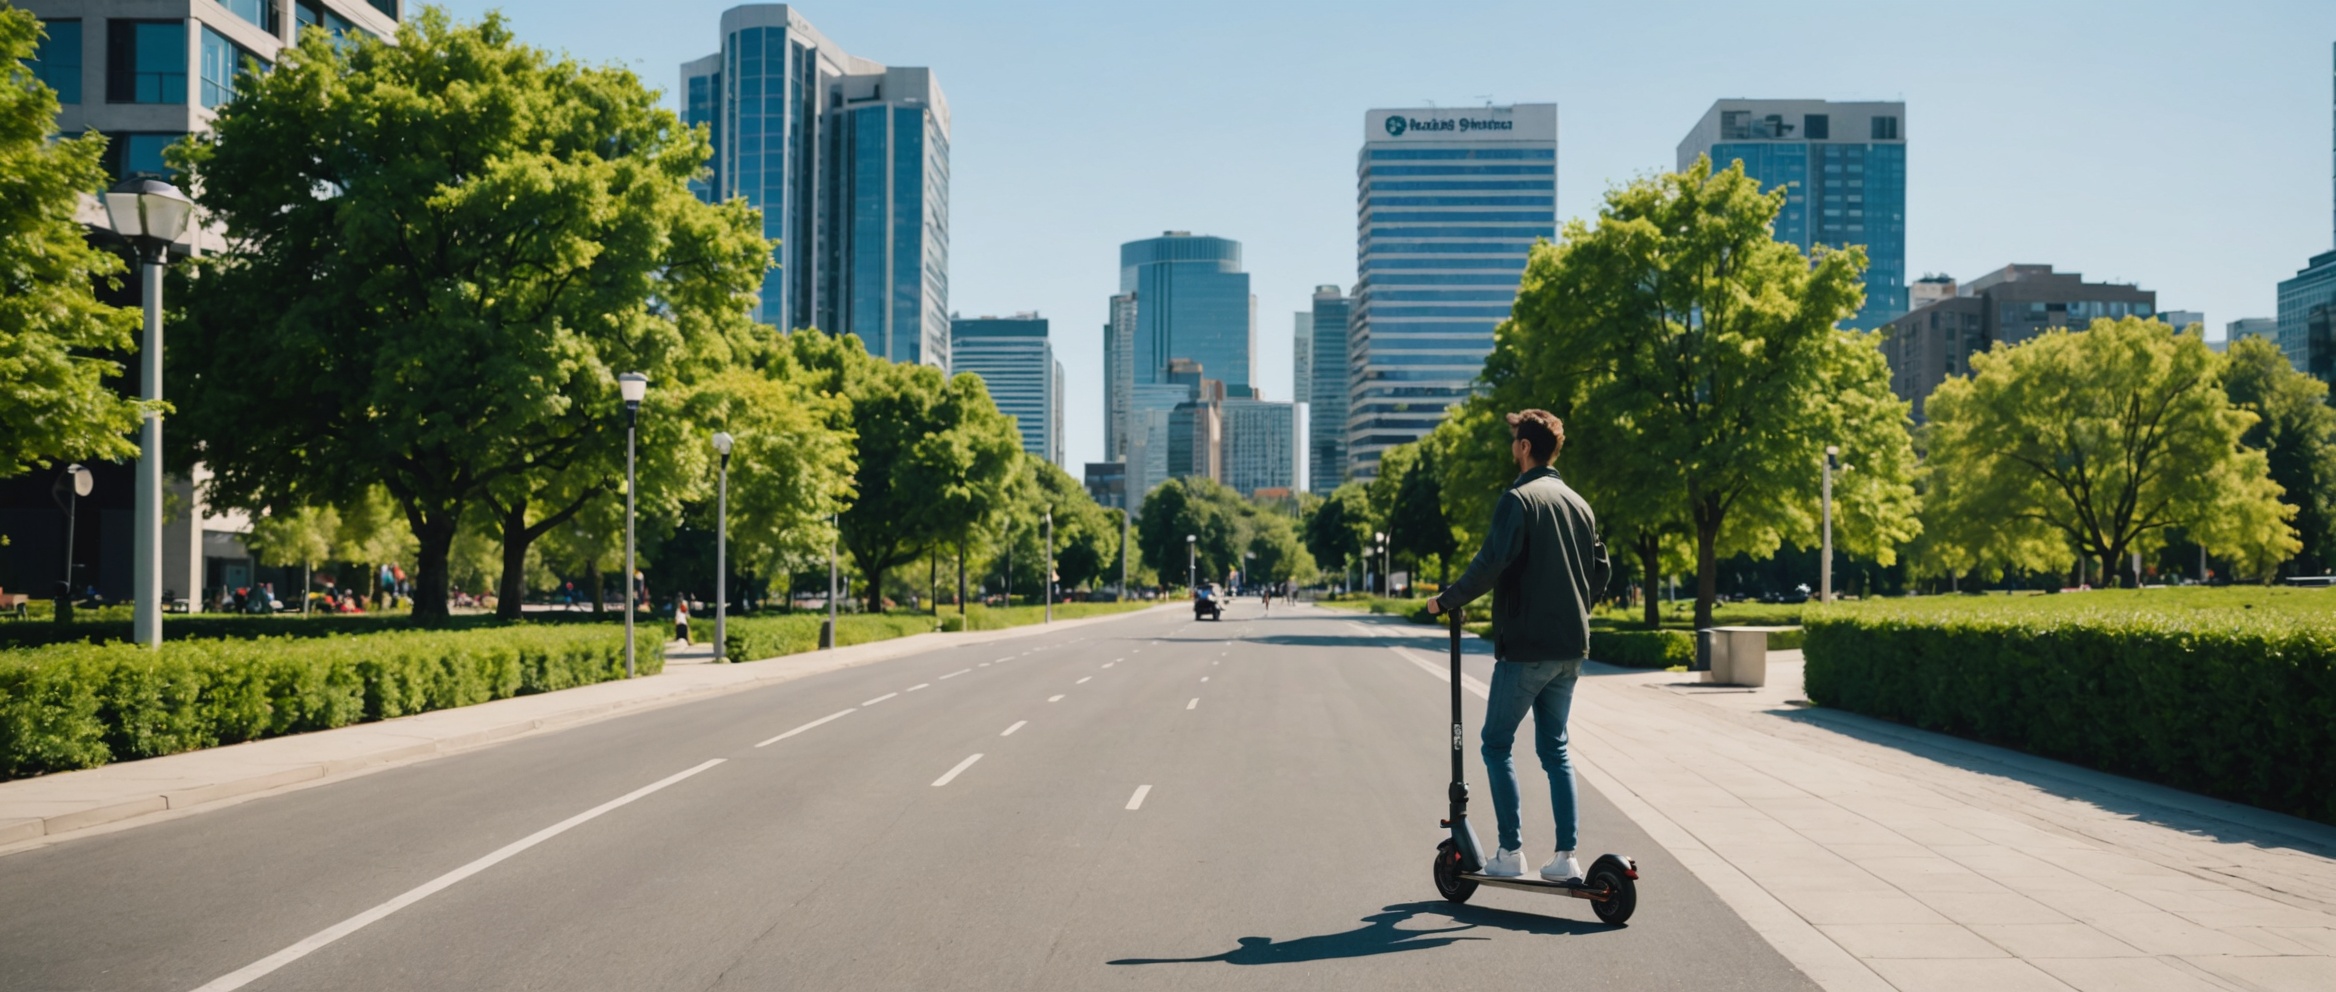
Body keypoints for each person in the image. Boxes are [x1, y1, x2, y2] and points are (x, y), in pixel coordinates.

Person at [1426, 409, 1609, 883]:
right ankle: (1566, 856)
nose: (1512, 448)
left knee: (1494, 744)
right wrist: (1572, 606)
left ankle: (1510, 851)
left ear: (1526, 447)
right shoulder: (1579, 503)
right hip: (1571, 648)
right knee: (1556, 750)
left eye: (1514, 441)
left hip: (1527, 648)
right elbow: (1601, 571)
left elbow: (1490, 562)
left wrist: (1445, 600)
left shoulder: (1519, 500)